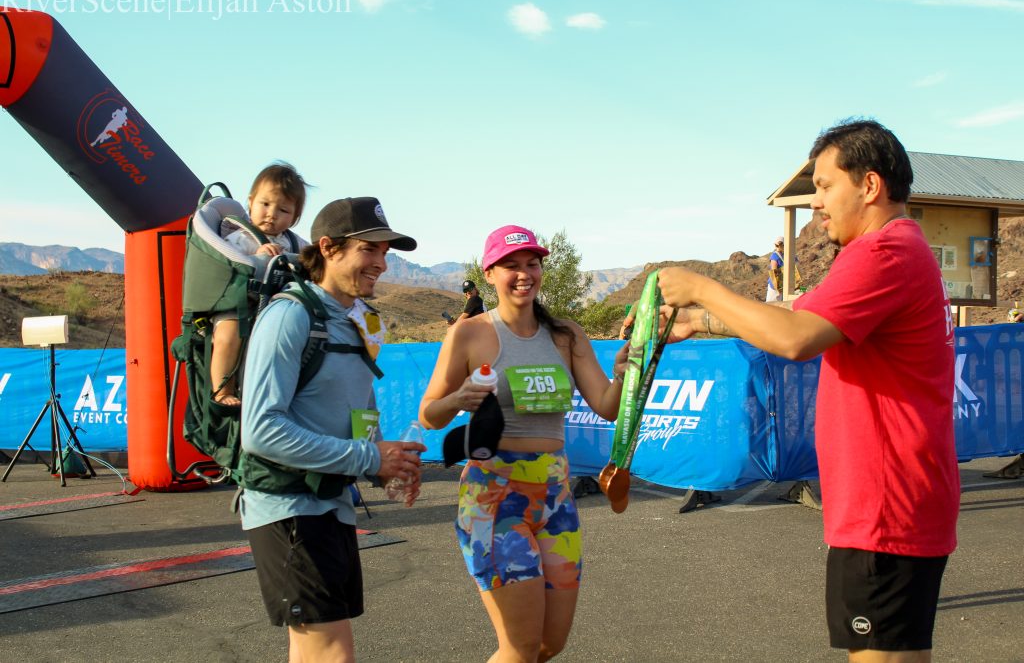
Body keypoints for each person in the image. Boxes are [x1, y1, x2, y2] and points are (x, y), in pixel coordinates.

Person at [657, 120, 959, 662]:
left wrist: (701, 286)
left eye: (824, 185)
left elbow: (796, 339)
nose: (816, 202)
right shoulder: (895, 250)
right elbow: (799, 312)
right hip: (891, 503)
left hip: (885, 508)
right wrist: (699, 319)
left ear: (868, 186)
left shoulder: (883, 253)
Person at [419, 224, 629, 663]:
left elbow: (607, 406)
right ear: (490, 272)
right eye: (510, 266)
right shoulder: (469, 333)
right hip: (494, 498)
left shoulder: (566, 334)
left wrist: (625, 374)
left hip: (556, 497)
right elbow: (429, 413)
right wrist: (459, 398)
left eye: (531, 264)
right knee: (520, 647)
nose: (523, 274)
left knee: (550, 644)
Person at [240, 197, 427, 662]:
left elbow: (360, 406)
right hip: (288, 508)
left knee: (312, 652)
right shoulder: (289, 315)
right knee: (332, 653)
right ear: (328, 247)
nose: (382, 263)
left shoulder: (361, 320)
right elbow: (260, 429)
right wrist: (368, 458)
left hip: (331, 506)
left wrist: (384, 464)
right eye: (370, 250)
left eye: (386, 252)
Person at [211, 162, 310, 405]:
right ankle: (223, 391)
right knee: (229, 334)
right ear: (251, 202)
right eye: (265, 204)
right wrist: (259, 255)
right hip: (237, 305)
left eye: (283, 210)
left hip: (275, 310)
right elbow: (228, 261)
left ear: (294, 217)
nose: (271, 214)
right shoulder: (239, 236)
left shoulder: (292, 242)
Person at [766, 236, 803, 302]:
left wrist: (779, 289)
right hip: (788, 283)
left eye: (778, 245)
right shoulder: (792, 254)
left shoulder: (775, 256)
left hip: (777, 285)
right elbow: (799, 269)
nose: (777, 247)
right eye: (776, 245)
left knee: (770, 307)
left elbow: (774, 272)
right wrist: (799, 285)